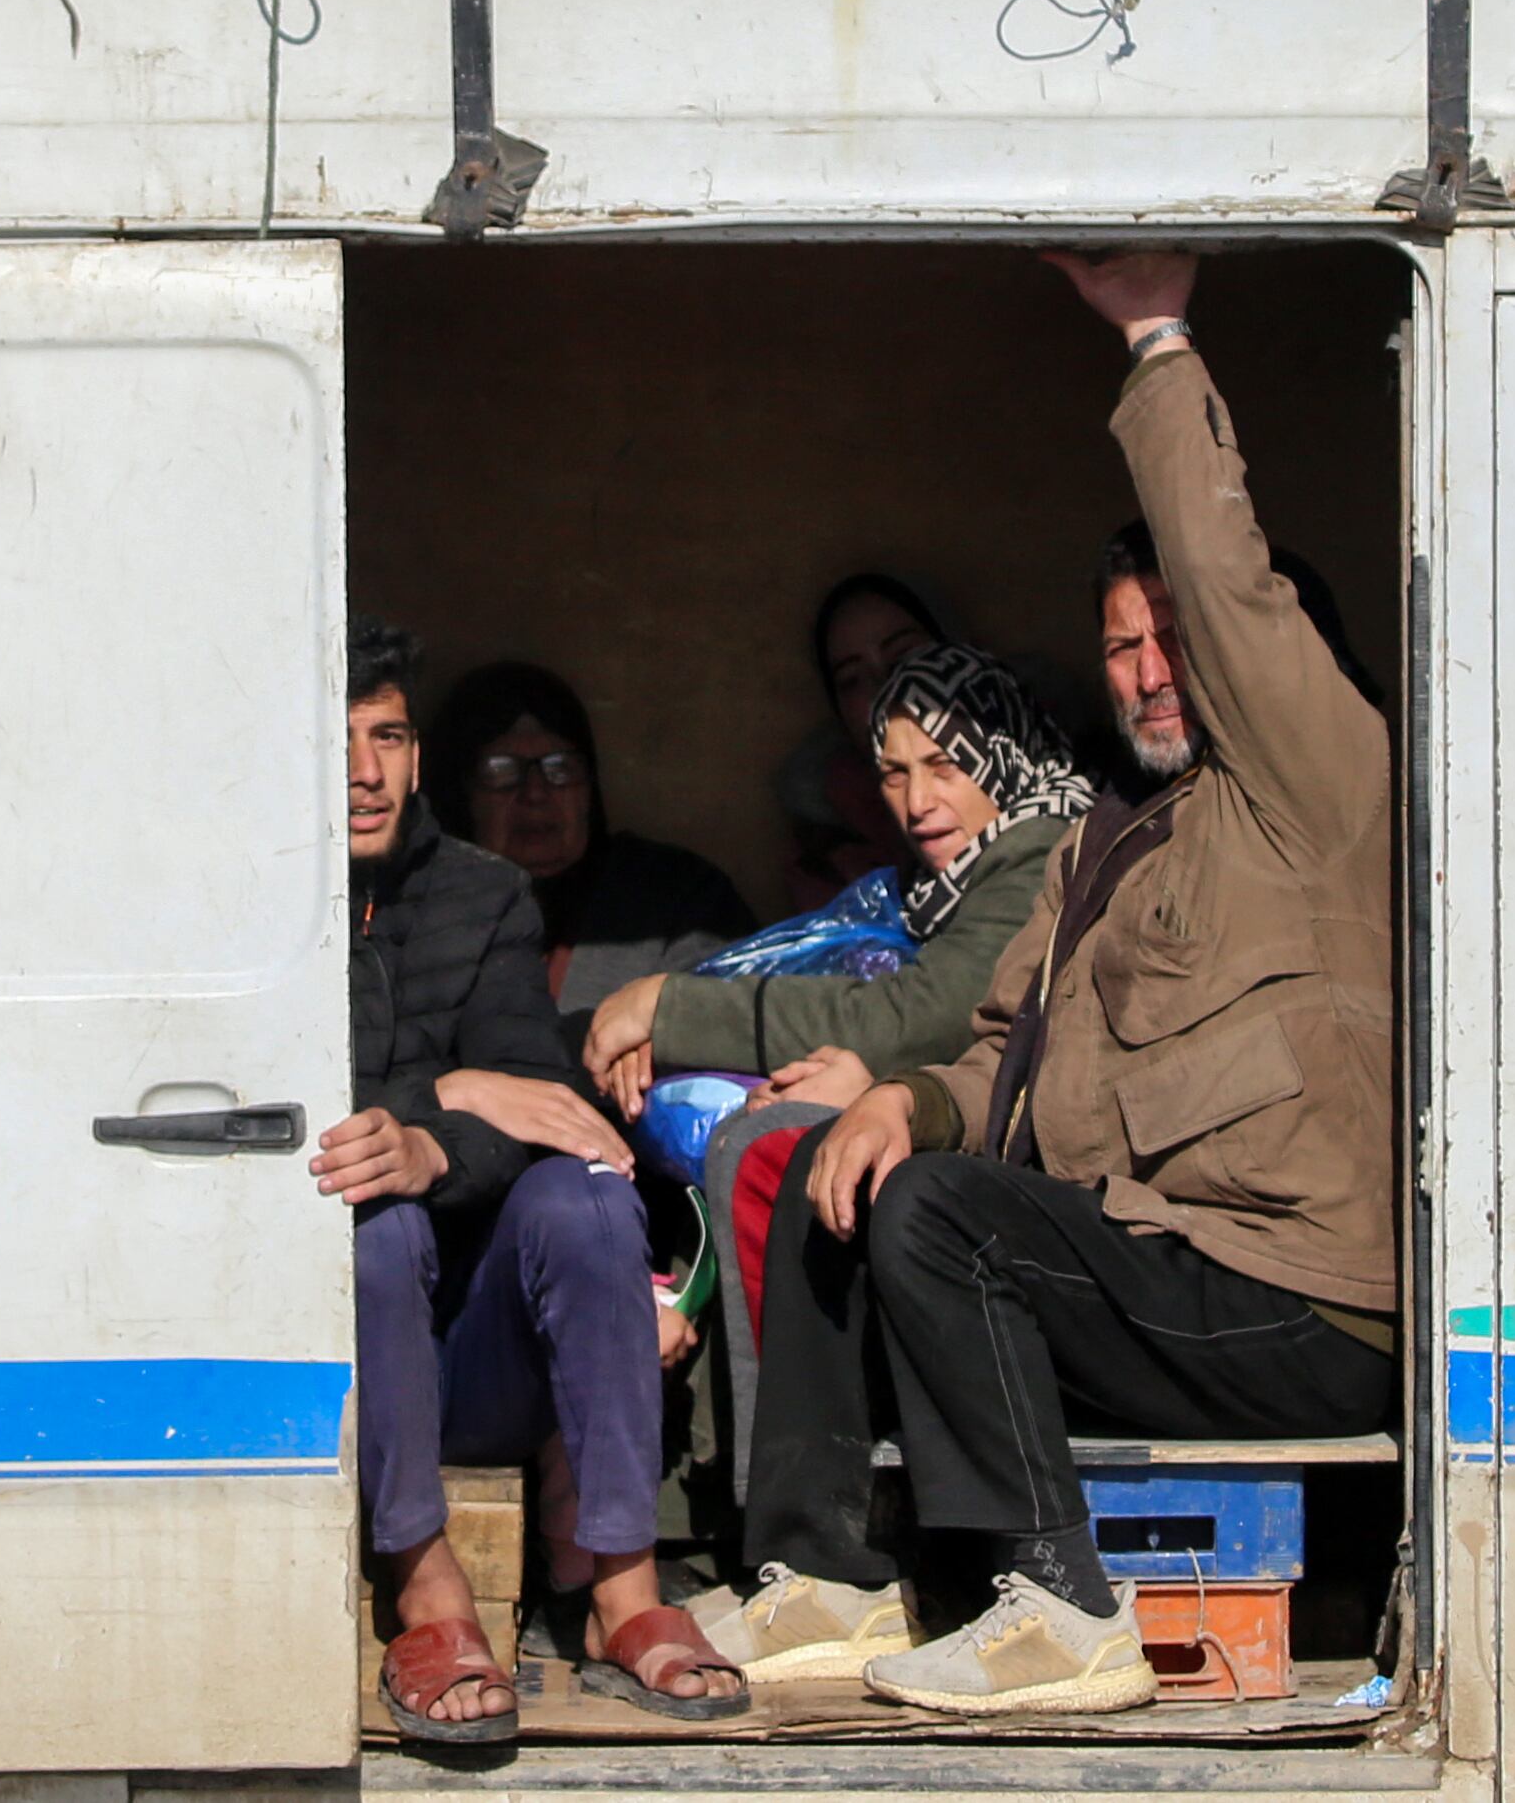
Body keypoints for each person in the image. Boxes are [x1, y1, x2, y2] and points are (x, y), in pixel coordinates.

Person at [713, 254, 1399, 1719]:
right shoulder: (1101, 842)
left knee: (941, 1215)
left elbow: (1228, 578)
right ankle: (822, 1582)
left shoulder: (1313, 787)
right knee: (838, 1160)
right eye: (1119, 646)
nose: (1150, 671)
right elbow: (988, 1057)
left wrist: (1156, 338)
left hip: (1298, 1300)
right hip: (1150, 1270)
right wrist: (902, 1101)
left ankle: (1056, 1606)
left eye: (1172, 644)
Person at [330, 624, 744, 1743]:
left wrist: (452, 1121)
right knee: (377, 1219)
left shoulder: (485, 896)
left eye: (390, 735)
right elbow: (290, 1107)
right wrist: (439, 1102)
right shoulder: (257, 905)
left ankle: (624, 1586)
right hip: (347, 1358)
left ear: (419, 754)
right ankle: (425, 1583)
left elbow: (537, 1103)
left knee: (588, 1192)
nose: (365, 770)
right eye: (338, 739)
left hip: (485, 1350)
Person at [582, 640, 1095, 1122]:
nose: (917, 803)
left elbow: (912, 1022)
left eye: (946, 766)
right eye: (895, 774)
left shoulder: (1042, 851)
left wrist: (670, 1009)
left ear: (1003, 757)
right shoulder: (934, 886)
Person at [431, 662, 752, 1045]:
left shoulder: (678, 894)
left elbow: (732, 1028)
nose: (535, 794)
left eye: (560, 768)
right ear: (461, 792)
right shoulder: (421, 911)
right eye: (501, 771)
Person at [768, 573, 944, 904]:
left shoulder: (1055, 801)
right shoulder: (833, 864)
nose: (884, 687)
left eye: (903, 657)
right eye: (852, 680)